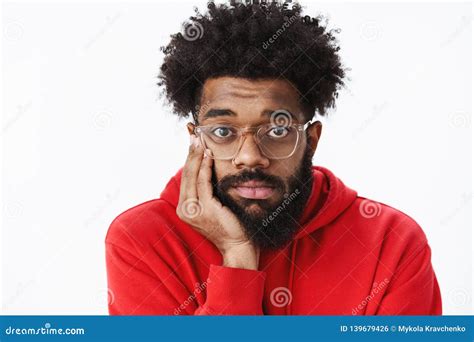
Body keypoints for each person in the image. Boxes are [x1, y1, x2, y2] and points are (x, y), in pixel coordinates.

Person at [105, 0, 442, 315]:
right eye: (224, 131)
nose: (250, 158)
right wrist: (237, 258)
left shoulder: (391, 241)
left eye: (277, 130)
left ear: (311, 141)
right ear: (195, 140)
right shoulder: (142, 240)